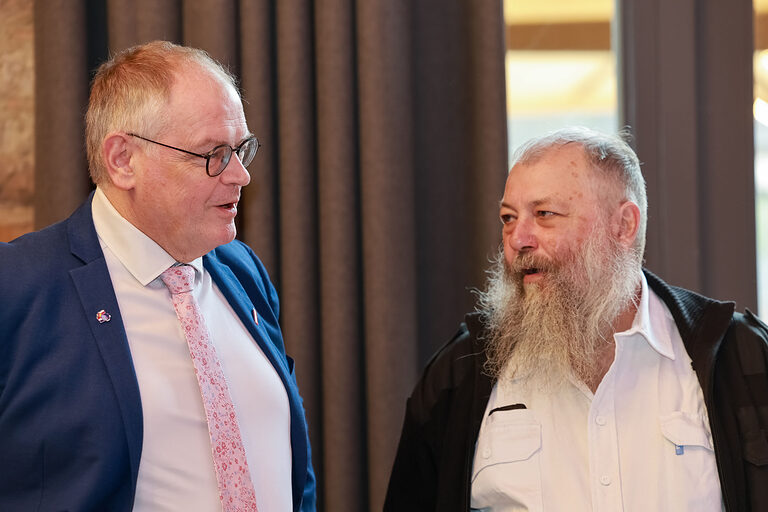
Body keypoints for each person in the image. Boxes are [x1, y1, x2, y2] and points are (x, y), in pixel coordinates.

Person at [0, 41, 315, 511]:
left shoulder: (242, 270)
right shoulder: (19, 287)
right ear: (123, 160)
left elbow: (290, 465)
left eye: (241, 149)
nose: (240, 175)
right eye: (213, 153)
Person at [384, 127, 768, 511]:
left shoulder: (742, 360)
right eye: (508, 217)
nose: (517, 239)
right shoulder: (460, 373)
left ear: (623, 226)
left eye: (544, 214)